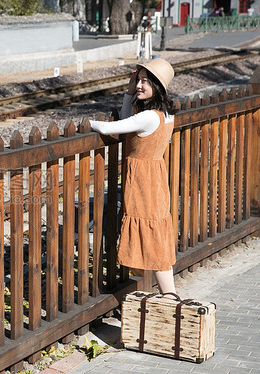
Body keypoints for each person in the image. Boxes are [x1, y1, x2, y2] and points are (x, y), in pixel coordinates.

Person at [89, 58, 177, 294]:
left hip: (143, 182)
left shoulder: (148, 117)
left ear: (157, 86)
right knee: (156, 235)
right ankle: (170, 296)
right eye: (138, 80)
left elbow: (109, 128)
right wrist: (130, 92)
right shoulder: (165, 115)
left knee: (154, 241)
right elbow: (127, 118)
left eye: (145, 82)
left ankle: (171, 298)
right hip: (155, 179)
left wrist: (86, 124)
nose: (139, 85)